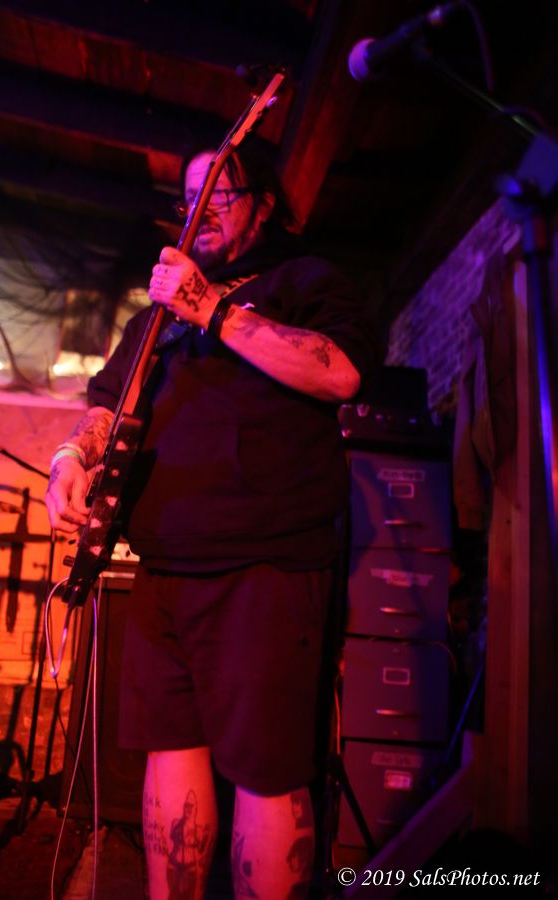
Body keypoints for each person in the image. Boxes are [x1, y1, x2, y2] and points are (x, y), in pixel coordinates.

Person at [46, 142, 384, 899]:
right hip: (163, 565)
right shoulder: (156, 319)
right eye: (189, 197)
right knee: (170, 752)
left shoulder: (304, 281)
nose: (197, 211)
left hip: (264, 563)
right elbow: (108, 405)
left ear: (262, 205)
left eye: (217, 194)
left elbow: (341, 371)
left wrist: (214, 310)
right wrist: (71, 455)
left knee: (267, 770)